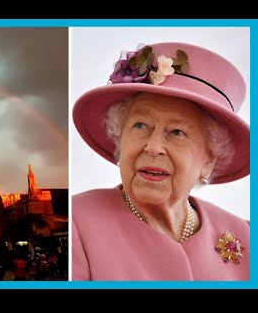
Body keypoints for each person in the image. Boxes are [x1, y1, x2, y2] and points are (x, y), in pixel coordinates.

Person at [72, 41, 250, 280]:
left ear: (209, 159)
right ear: (121, 140)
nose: (153, 147)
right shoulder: (77, 222)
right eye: (140, 125)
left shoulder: (247, 236)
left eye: (177, 132)